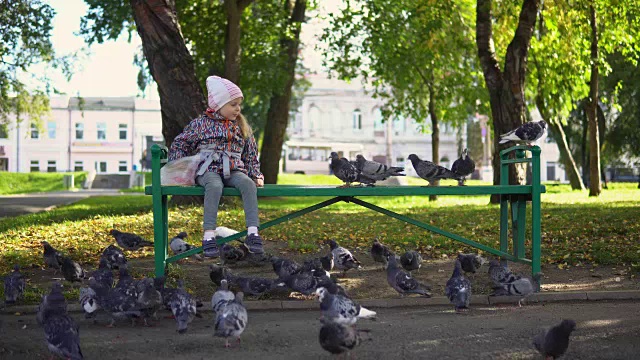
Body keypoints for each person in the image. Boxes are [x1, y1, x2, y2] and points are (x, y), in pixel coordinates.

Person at [168, 76, 264, 257]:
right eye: (233, 104)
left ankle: (253, 232)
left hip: (234, 168)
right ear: (218, 105)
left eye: (239, 104)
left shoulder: (240, 126)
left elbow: (250, 154)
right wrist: (180, 167)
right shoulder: (200, 124)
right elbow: (181, 143)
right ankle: (209, 235)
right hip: (208, 169)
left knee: (247, 184)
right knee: (214, 185)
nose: (238, 108)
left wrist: (255, 174)